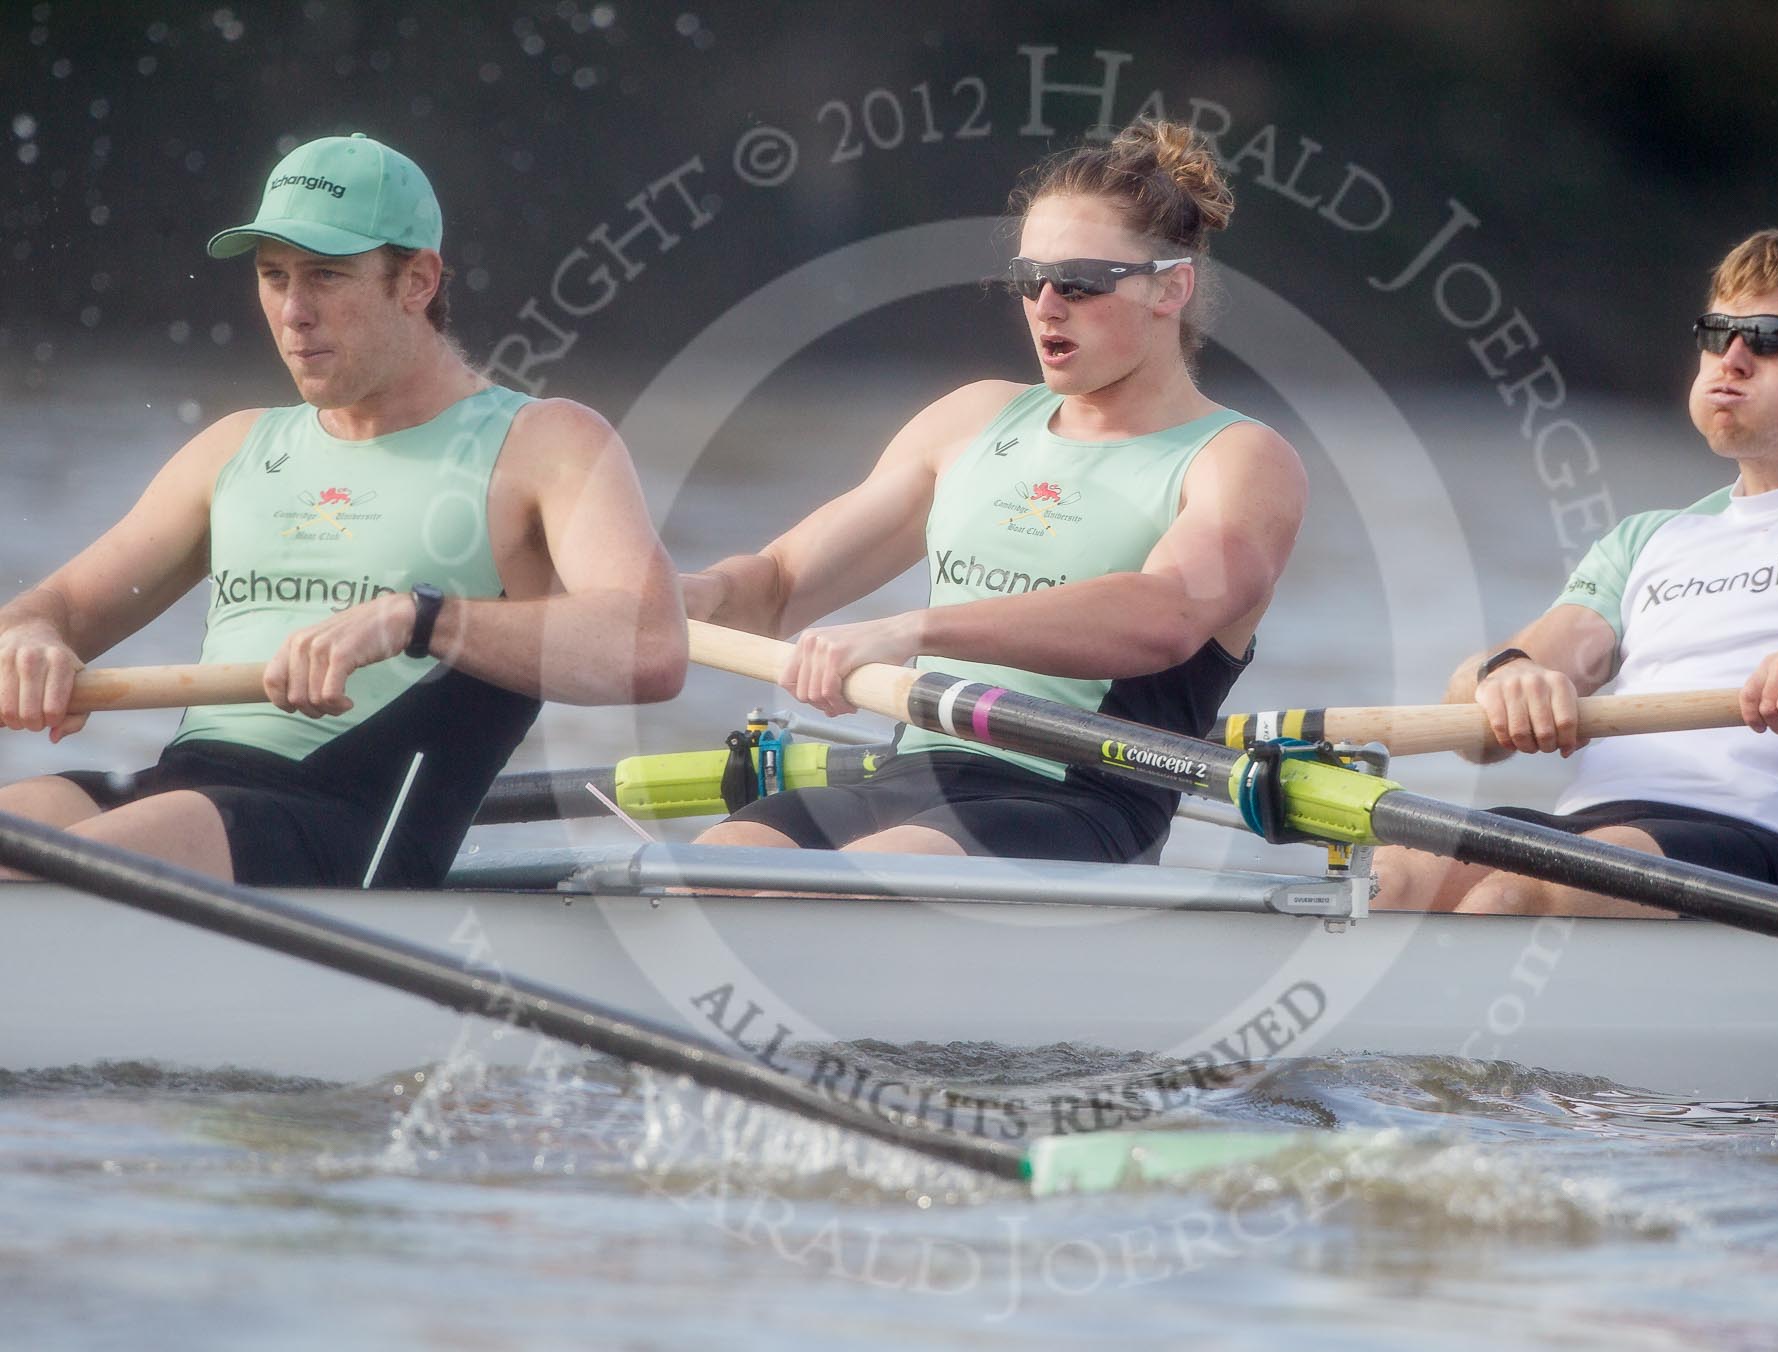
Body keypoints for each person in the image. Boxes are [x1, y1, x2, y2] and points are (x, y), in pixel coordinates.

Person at [0, 133, 685, 887]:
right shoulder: (234, 448)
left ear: (417, 280)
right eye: (273, 276)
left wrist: (423, 619)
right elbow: (58, 606)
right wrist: (33, 637)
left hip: (348, 835)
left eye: (326, 275)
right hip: (182, 800)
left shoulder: (545, 445)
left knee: (59, 865)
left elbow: (651, 647)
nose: (293, 312)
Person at [683, 120, 1307, 863]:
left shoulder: (1239, 461)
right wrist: (690, 594)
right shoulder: (971, 419)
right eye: (1027, 279)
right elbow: (780, 587)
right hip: (907, 777)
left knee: (865, 875)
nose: (1045, 305)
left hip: (1078, 803)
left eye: (1079, 281)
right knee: (711, 862)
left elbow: (1163, 615)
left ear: (1172, 286)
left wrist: (911, 631)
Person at [1376, 228, 1778, 917]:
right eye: (1717, 332)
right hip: (1602, 832)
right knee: (1391, 879)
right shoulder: (1650, 538)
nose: (1733, 357)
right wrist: (1506, 677)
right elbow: (1470, 719)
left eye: (1772, 335)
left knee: (1511, 898)